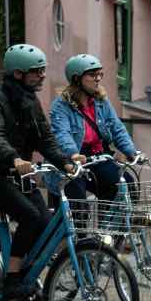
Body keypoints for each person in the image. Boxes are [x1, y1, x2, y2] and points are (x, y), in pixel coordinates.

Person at [0, 43, 77, 301]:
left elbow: (45, 138)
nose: (42, 75)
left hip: (18, 177)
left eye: (43, 70)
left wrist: (65, 161)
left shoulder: (30, 101)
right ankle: (11, 280)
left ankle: (23, 271)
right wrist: (14, 158)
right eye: (36, 71)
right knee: (31, 217)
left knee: (44, 222)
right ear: (18, 74)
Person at [48, 54, 140, 230]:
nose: (98, 79)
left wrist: (131, 151)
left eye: (100, 74)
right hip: (74, 160)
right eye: (92, 75)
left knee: (125, 183)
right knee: (78, 204)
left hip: (97, 157)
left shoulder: (100, 101)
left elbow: (116, 126)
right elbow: (62, 134)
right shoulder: (61, 106)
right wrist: (73, 154)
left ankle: (108, 237)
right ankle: (78, 245)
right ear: (77, 78)